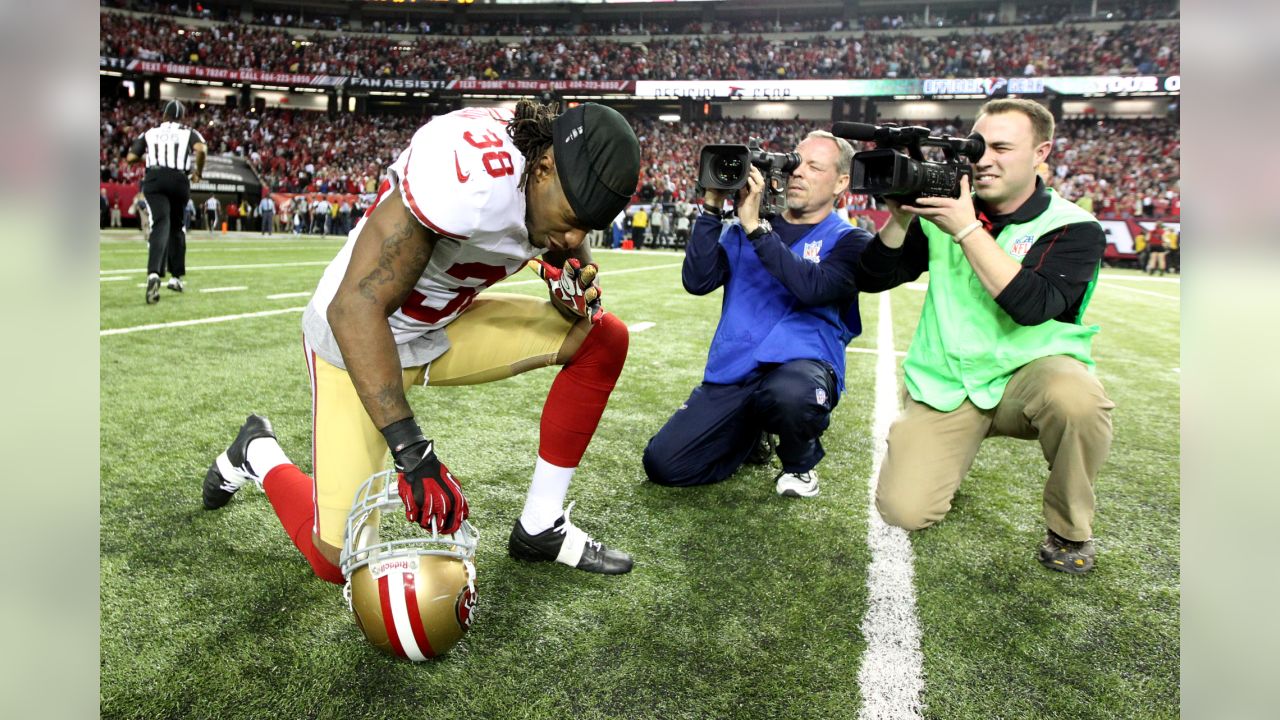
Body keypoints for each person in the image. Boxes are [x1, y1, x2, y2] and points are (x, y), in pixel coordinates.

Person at [203, 100, 642, 587]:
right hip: (362, 339)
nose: (575, 236)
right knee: (336, 561)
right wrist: (412, 451)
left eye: (589, 226)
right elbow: (354, 307)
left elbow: (567, 244)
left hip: (444, 324)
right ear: (541, 168)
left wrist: (570, 283)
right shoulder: (468, 176)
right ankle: (258, 451)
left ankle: (541, 524)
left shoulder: (556, 183)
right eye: (573, 217)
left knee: (602, 337)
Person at [853, 98, 1114, 574]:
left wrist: (967, 228)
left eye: (1000, 147)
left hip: (1028, 380)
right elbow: (872, 278)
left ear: (1041, 152)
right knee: (903, 511)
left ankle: (1069, 529)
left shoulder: (1074, 226)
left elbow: (1032, 305)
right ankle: (946, 458)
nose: (983, 158)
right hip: (951, 382)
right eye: (976, 146)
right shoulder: (944, 212)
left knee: (1079, 400)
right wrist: (901, 217)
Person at [643, 131, 871, 498]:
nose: (798, 173)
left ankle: (800, 464)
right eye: (796, 162)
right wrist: (713, 206)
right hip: (736, 368)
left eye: (814, 167)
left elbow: (811, 287)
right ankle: (748, 436)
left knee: (790, 394)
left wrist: (755, 229)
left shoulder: (851, 241)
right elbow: (697, 281)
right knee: (664, 464)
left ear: (841, 182)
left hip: (802, 366)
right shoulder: (740, 230)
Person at [127, 99, 205, 304]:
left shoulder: (149, 133)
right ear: (182, 117)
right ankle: (176, 277)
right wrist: (198, 172)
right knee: (177, 228)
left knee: (160, 223)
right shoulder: (188, 132)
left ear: (163, 116)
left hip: (154, 179)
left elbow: (130, 157)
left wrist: (148, 159)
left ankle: (154, 274)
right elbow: (201, 149)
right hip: (179, 179)